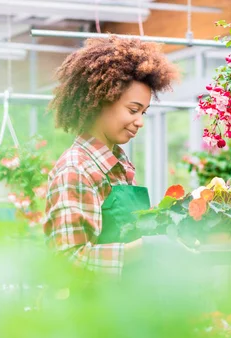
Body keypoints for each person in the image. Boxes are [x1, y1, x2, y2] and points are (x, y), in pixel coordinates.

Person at [44, 36, 179, 276]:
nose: (140, 122)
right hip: (92, 310)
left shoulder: (119, 165)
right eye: (133, 110)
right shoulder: (77, 168)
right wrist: (147, 248)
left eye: (144, 112)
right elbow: (67, 259)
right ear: (100, 100)